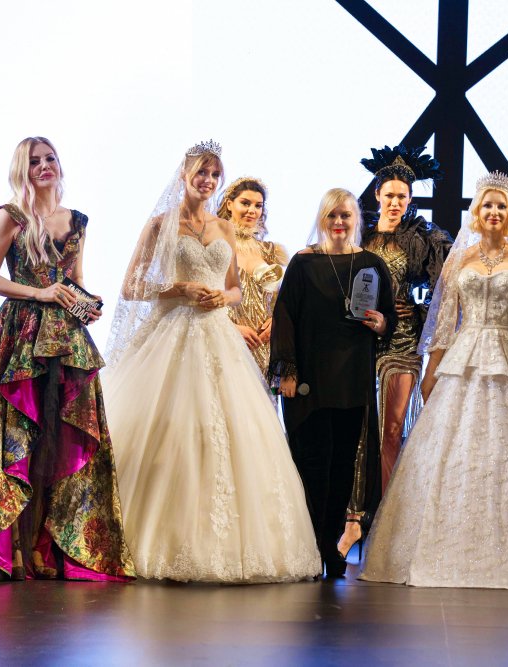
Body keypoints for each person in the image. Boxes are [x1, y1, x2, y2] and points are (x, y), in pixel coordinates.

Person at [361, 172, 508, 590]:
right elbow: (443, 321)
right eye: (487, 205)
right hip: (465, 356)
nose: (493, 211)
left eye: (501, 206)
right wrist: (431, 371)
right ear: (478, 211)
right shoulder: (461, 258)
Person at [0, 137, 134, 589]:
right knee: (15, 440)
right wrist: (40, 293)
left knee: (57, 441)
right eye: (34, 162)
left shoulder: (77, 221)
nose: (44, 166)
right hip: (19, 338)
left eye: (49, 159)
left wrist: (86, 303)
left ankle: (43, 548)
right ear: (23, 169)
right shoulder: (11, 216)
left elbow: (75, 279)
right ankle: (7, 550)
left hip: (66, 341)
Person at [102, 141, 320, 583]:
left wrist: (224, 297)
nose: (207, 180)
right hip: (171, 333)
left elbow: (235, 287)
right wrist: (179, 289)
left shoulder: (223, 227)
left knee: (228, 431)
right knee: (173, 428)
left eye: (214, 175)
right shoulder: (160, 225)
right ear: (184, 175)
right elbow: (130, 287)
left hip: (218, 336)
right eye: (201, 172)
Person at [269, 188, 396, 578]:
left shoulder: (371, 264)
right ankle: (309, 550)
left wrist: (381, 323)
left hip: (351, 380)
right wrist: (287, 372)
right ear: (322, 219)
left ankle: (330, 549)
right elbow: (285, 318)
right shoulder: (304, 262)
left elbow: (388, 319)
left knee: (341, 468)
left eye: (346, 216)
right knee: (311, 467)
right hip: (309, 382)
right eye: (332, 216)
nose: (339, 223)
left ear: (357, 219)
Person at [336, 145, 452, 556]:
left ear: (410, 198)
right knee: (357, 431)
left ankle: (388, 522)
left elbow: (445, 293)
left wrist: (417, 306)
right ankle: (353, 520)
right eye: (389, 195)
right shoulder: (360, 235)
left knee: (390, 431)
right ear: (377, 195)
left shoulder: (424, 239)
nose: (396, 202)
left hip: (402, 342)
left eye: (403, 196)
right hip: (359, 343)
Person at [216, 176, 287, 379]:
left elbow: (282, 300)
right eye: (245, 203)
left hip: (263, 346)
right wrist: (232, 328)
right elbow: (202, 296)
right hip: (225, 340)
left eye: (258, 205)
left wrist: (276, 320)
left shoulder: (271, 251)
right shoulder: (214, 246)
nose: (252, 210)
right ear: (229, 204)